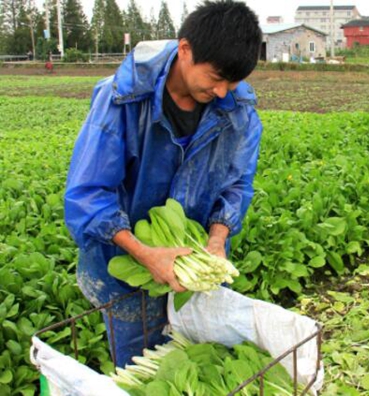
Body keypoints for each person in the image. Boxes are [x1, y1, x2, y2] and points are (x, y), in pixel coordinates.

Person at [64, 0, 263, 367]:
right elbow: (89, 194)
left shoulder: (239, 110)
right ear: (185, 49)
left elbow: (237, 183)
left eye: (233, 82)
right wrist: (144, 253)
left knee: (197, 364)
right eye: (216, 78)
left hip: (195, 269)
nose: (223, 92)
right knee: (143, 366)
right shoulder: (121, 100)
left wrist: (217, 239)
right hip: (126, 268)